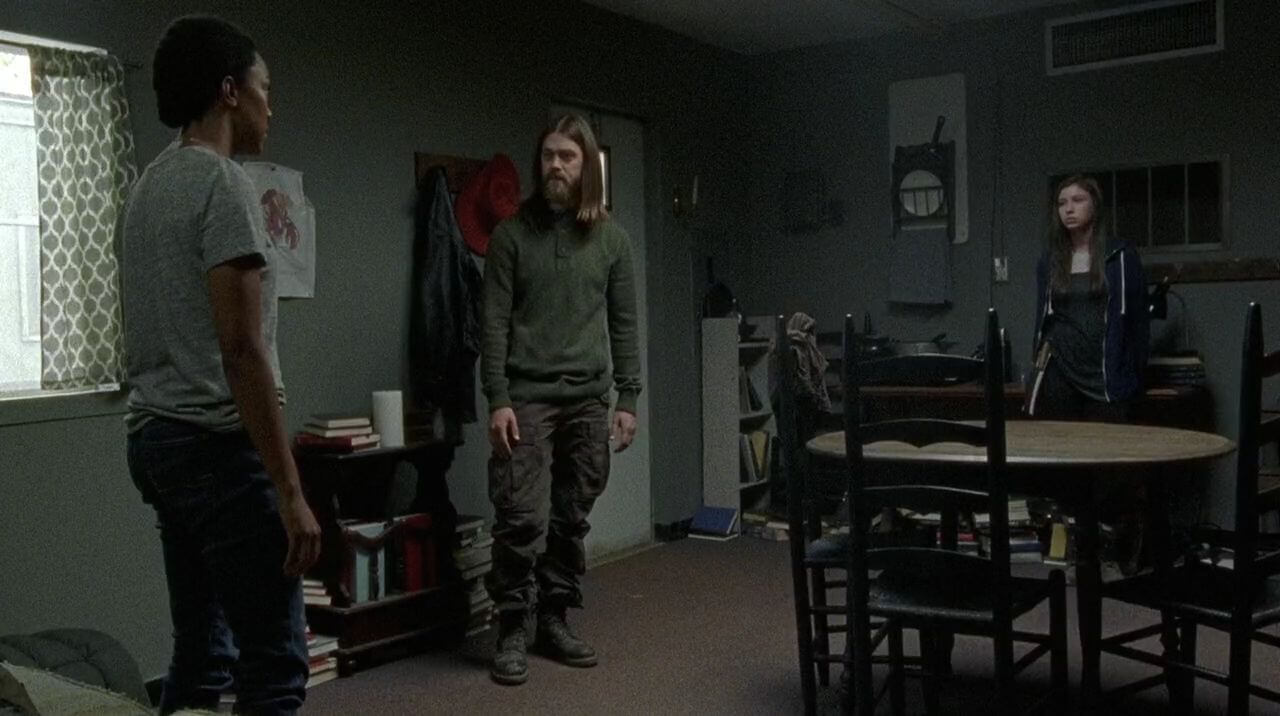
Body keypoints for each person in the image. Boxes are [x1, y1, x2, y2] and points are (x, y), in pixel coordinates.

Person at [121, 16, 320, 715]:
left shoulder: (146, 188)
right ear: (231, 91)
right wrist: (290, 493)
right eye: (266, 88)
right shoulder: (223, 183)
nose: (272, 106)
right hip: (213, 447)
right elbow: (241, 351)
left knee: (203, 652)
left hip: (156, 441)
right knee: (275, 660)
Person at [481, 113, 641, 686]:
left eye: (567, 157)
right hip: (526, 396)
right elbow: (493, 324)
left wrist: (629, 397)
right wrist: (498, 398)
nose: (555, 165)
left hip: (588, 399)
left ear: (586, 165)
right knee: (521, 516)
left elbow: (624, 323)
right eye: (549, 155)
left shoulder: (612, 240)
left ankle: (553, 619)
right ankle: (511, 628)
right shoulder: (510, 237)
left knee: (570, 517)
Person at [1026, 174, 1149, 421]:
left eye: (1078, 200)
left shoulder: (1120, 256)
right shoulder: (1050, 261)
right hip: (1060, 368)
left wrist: (1135, 374)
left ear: (1095, 205)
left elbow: (1138, 322)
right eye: (1062, 203)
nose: (1068, 209)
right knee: (1061, 440)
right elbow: (1043, 319)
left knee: (1106, 441)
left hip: (1106, 374)